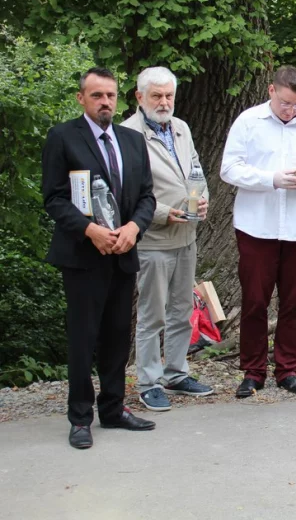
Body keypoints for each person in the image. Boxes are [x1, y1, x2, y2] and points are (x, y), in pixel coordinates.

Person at [41, 67, 157, 449]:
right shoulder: (63, 138)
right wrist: (90, 230)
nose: (105, 102)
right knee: (83, 338)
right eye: (96, 95)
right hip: (83, 255)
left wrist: (133, 229)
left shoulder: (132, 140)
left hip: (123, 252)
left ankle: (113, 408)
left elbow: (146, 198)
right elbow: (54, 198)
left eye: (110, 95)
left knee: (116, 338)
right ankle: (80, 418)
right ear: (81, 98)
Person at [220, 66, 296, 398]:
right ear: (271, 91)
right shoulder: (248, 122)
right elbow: (229, 168)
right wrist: (271, 179)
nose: (291, 110)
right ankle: (253, 371)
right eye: (286, 103)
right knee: (255, 301)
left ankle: (288, 369)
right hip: (257, 226)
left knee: (293, 302)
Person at [120, 66, 213, 412]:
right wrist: (160, 212)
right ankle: (149, 381)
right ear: (140, 97)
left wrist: (202, 199)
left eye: (168, 95)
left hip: (186, 235)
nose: (163, 102)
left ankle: (176, 372)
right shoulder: (127, 133)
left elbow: (196, 170)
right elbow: (125, 191)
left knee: (182, 309)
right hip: (154, 239)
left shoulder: (181, 128)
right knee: (152, 314)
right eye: (156, 95)